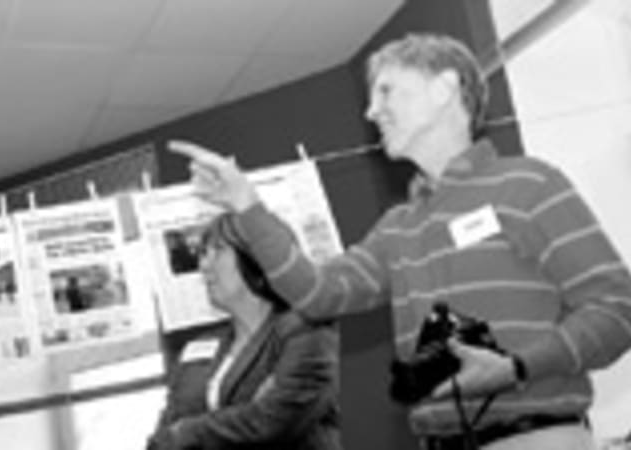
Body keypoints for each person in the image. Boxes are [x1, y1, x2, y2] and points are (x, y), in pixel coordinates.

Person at [169, 32, 631, 450]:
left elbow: (617, 308)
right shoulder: (397, 227)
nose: (371, 111)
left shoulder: (529, 184)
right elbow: (316, 294)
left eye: (386, 91)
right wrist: (247, 205)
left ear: (445, 88)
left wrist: (515, 367)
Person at [147, 215, 341, 450]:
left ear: (258, 258)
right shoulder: (199, 347)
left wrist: (185, 433)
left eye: (218, 251)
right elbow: (162, 438)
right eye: (203, 253)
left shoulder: (308, 330)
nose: (203, 265)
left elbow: (271, 422)